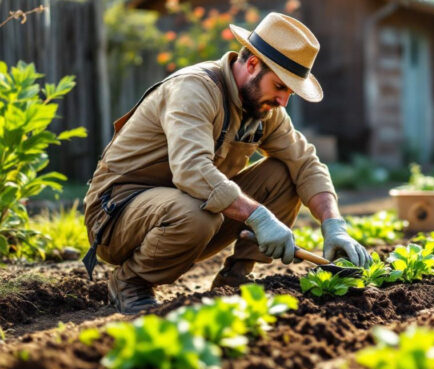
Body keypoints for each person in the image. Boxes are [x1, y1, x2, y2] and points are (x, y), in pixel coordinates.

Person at [82, 12, 372, 314]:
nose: (284, 101)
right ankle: (130, 282)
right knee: (197, 213)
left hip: (179, 213)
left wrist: (333, 225)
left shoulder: (262, 108)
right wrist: (259, 217)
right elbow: (192, 171)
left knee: (285, 174)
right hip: (117, 216)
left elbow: (306, 163)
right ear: (252, 65)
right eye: (281, 86)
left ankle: (234, 278)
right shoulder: (194, 90)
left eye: (290, 91)